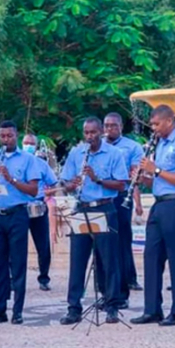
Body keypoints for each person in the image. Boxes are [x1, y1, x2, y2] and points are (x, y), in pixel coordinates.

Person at [130, 105, 175, 327]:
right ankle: (152, 310)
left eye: (157, 124)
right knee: (152, 256)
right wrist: (144, 179)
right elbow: (160, 181)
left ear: (169, 121)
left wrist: (156, 169)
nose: (154, 129)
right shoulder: (160, 145)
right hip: (160, 205)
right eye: (153, 125)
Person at [59, 116, 128, 325]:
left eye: (93, 132)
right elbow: (65, 183)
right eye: (86, 133)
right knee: (77, 260)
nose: (89, 137)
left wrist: (97, 179)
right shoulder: (76, 153)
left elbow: (121, 185)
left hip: (104, 208)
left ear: (102, 133)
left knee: (109, 260)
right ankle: (73, 308)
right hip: (81, 208)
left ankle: (112, 306)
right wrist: (72, 184)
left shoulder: (114, 153)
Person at [0, 121, 40, 325]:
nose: (6, 140)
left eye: (10, 136)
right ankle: (0, 308)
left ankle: (18, 310)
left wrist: (10, 180)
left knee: (18, 263)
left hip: (17, 215)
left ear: (16, 136)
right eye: (2, 136)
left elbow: (33, 190)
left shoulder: (28, 159)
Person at [102, 112, 145, 310]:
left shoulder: (132, 147)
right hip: (100, 198)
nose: (109, 129)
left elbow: (134, 175)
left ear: (120, 126)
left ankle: (124, 287)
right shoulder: (96, 146)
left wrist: (137, 203)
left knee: (121, 243)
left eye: (113, 125)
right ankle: (105, 291)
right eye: (106, 125)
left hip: (120, 197)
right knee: (102, 245)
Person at [22, 133, 58, 291]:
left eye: (31, 143)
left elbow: (53, 184)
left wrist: (48, 194)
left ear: (36, 146)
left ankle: (44, 278)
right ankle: (14, 278)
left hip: (38, 207)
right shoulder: (16, 162)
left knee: (43, 245)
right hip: (19, 208)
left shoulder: (42, 165)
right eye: (26, 142)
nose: (28, 145)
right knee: (15, 246)